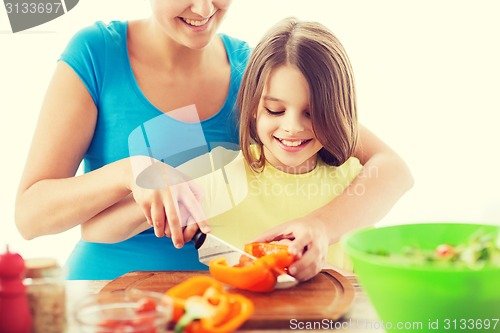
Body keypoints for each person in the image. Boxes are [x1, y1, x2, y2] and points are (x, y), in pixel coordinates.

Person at [15, 0, 413, 280]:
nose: (204, 10)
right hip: (105, 293)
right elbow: (31, 217)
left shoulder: (259, 73)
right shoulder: (97, 53)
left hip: (220, 303)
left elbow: (389, 167)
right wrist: (131, 172)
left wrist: (321, 227)